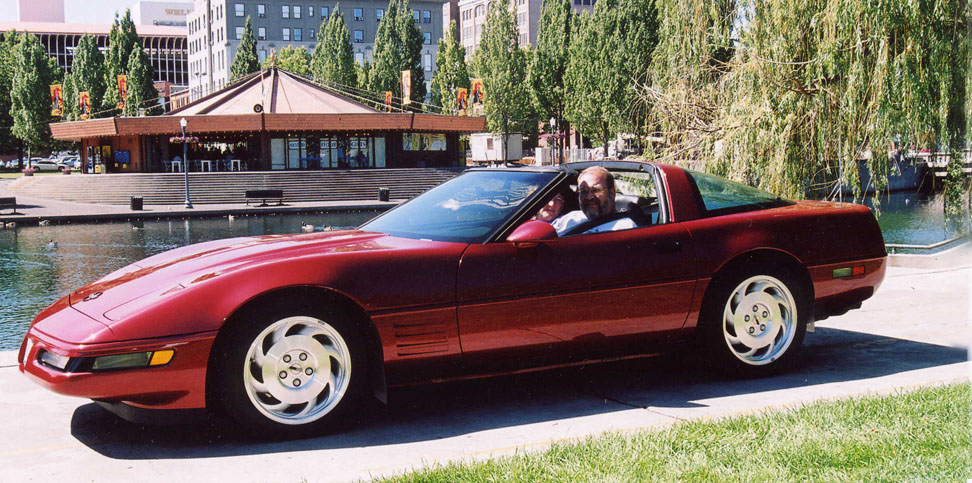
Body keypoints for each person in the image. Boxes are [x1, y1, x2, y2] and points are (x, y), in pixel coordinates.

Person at [552, 166, 637, 236]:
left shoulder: (624, 227)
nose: (589, 197)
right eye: (584, 192)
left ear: (612, 193)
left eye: (596, 190)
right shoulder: (570, 219)